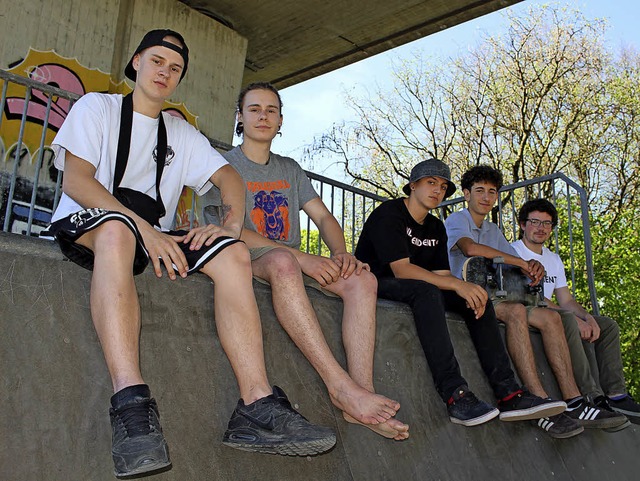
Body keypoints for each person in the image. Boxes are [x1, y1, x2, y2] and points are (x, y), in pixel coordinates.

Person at [41, 31, 335, 478]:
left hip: (153, 233)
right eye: (157, 61)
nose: (164, 72)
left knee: (234, 254)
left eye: (174, 68)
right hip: (90, 223)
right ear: (137, 62)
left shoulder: (179, 131)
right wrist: (143, 229)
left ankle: (256, 405)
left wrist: (231, 226)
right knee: (119, 233)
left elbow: (229, 179)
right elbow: (77, 182)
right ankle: (131, 406)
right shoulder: (96, 108)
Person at [203, 82, 408, 441]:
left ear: (281, 120)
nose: (263, 116)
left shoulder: (290, 169)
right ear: (239, 117)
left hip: (293, 259)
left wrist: (341, 253)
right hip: (248, 257)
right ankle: (338, 386)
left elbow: (325, 218)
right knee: (283, 260)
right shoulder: (222, 164)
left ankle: (360, 394)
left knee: (364, 280)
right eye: (254, 109)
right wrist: (303, 258)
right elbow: (227, 228)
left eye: (271, 110)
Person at [354, 158, 564, 428]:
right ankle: (455, 394)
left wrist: (465, 290)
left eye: (442, 187)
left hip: (418, 286)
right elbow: (402, 270)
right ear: (413, 186)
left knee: (476, 297)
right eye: (430, 183)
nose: (437, 191)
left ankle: (509, 393)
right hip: (375, 280)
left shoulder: (435, 227)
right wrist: (456, 284)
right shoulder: (390, 213)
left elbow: (442, 276)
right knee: (429, 292)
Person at [444, 165, 628, 436]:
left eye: (492, 192)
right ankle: (539, 400)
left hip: (496, 295)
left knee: (553, 316)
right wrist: (522, 261)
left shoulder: (493, 229)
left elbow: (516, 268)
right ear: (466, 193)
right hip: (467, 294)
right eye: (479, 191)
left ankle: (574, 400)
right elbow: (470, 248)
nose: (485, 197)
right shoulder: (457, 219)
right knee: (516, 311)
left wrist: (531, 270)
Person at [512, 198, 640, 424]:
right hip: (529, 309)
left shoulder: (553, 258)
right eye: (535, 222)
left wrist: (587, 317)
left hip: (553, 309)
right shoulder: (514, 252)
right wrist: (574, 318)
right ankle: (592, 396)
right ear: (523, 224)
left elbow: (566, 299)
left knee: (606, 325)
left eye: (547, 224)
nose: (541, 228)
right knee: (568, 321)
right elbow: (531, 295)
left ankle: (616, 395)